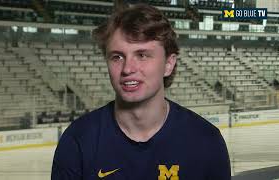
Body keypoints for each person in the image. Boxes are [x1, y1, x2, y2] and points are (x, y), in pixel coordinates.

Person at [52, 3, 231, 180]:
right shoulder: (78, 140)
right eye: (117, 57)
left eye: (142, 55)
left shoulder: (206, 141)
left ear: (169, 64)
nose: (128, 68)